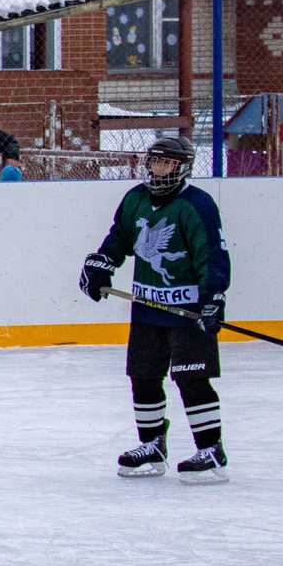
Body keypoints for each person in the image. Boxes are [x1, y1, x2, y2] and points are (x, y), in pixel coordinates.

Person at [80, 132, 230, 483]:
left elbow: (211, 253)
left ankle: (211, 451)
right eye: (155, 162)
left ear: (183, 167)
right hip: (148, 309)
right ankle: (152, 445)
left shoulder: (197, 204)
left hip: (188, 311)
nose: (159, 169)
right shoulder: (135, 199)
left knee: (192, 378)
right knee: (143, 377)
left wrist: (214, 297)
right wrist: (102, 264)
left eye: (167, 163)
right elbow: (120, 238)